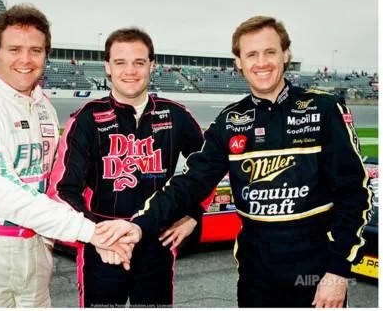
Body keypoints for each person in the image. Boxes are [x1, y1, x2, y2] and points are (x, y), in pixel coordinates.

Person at [121, 16, 373, 308]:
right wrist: (139, 225)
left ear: (286, 55)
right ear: (238, 62)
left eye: (270, 52)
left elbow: (355, 194)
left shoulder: (324, 109)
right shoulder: (229, 121)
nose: (261, 62)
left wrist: (338, 272)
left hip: (316, 276)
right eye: (251, 54)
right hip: (256, 278)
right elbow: (189, 185)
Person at [0, 4, 138, 308]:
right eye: (14, 49)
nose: (25, 60)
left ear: (46, 55)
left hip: (36, 247)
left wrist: (107, 230)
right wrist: (92, 232)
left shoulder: (44, 106)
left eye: (36, 50)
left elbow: (54, 184)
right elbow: (6, 193)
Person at [47, 27, 205, 307]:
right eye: (121, 62)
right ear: (108, 66)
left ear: (152, 65)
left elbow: (208, 168)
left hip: (157, 242)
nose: (130, 71)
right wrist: (98, 234)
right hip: (102, 247)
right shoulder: (86, 119)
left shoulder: (176, 115)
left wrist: (194, 213)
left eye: (139, 62)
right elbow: (61, 190)